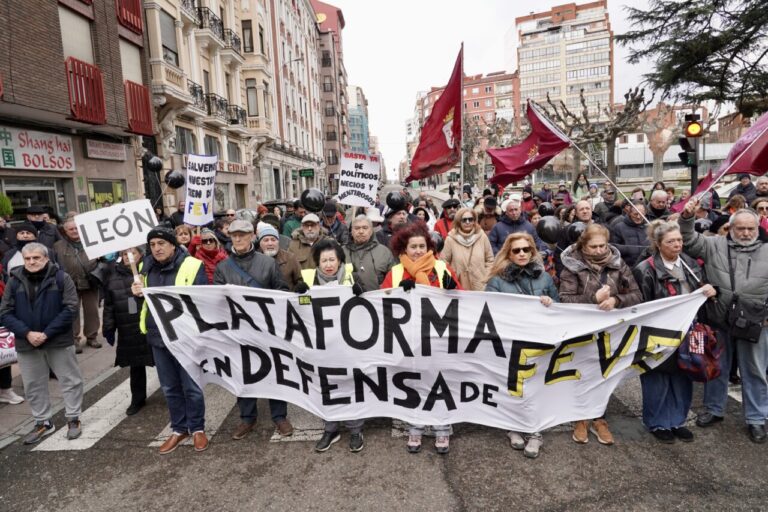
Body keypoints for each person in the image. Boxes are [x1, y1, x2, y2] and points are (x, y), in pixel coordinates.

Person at [679, 200, 768, 443]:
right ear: (730, 228)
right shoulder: (713, 245)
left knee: (755, 370)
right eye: (741, 228)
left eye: (751, 228)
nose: (746, 233)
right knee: (716, 366)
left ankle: (757, 418)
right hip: (719, 317)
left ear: (758, 228)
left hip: (756, 321)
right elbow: (688, 238)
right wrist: (686, 216)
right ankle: (714, 409)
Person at [632, 220, 717, 443]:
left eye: (679, 240)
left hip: (690, 330)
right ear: (659, 244)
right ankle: (657, 422)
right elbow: (642, 305)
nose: (678, 245)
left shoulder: (691, 264)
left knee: (684, 374)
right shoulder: (645, 270)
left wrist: (709, 290)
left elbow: (704, 289)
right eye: (671, 241)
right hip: (659, 333)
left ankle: (677, 420)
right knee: (657, 378)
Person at [380, 223, 461, 454]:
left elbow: (463, 301)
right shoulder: (395, 273)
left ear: (429, 247)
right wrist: (398, 295)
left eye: (421, 246)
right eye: (412, 246)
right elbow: (381, 302)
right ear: (404, 248)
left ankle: (441, 426)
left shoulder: (442, 268)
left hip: (438, 337)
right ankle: (415, 424)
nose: (417, 250)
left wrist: (452, 289)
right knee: (414, 382)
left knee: (440, 382)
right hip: (409, 338)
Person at [559, 223, 642, 445]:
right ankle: (580, 417)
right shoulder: (571, 267)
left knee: (603, 373)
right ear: (583, 246)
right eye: (594, 246)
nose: (599, 251)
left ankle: (599, 417)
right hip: (580, 330)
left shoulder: (618, 264)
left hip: (611, 329)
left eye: (603, 246)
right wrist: (592, 300)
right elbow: (565, 299)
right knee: (581, 372)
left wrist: (617, 300)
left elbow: (636, 294)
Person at [213, 219, 294, 440]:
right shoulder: (222, 268)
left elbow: (281, 291)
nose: (238, 238)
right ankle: (247, 417)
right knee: (243, 373)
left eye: (243, 234)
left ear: (252, 237)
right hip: (238, 332)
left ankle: (279, 416)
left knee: (275, 372)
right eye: (234, 235)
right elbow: (216, 302)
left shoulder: (267, 264)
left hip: (266, 330)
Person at [133, 227, 209, 454]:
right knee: (169, 387)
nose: (157, 248)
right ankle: (179, 428)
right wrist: (137, 292)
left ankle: (197, 428)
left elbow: (202, 300)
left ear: (173, 245)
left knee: (191, 385)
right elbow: (144, 304)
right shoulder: (142, 268)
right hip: (158, 336)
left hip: (185, 336)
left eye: (161, 243)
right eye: (152, 244)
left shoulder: (192, 265)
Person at [0, 242, 82, 444]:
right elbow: (5, 312)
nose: (32, 262)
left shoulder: (62, 278)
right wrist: (27, 333)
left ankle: (73, 418)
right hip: (27, 343)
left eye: (36, 257)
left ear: (46, 258)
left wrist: (46, 334)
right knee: (33, 385)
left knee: (69, 380)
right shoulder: (14, 281)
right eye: (27, 258)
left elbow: (71, 308)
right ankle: (42, 422)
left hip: (58, 340)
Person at [485, 233, 558, 458]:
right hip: (511, 340)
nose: (522, 254)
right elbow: (488, 309)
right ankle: (513, 426)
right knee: (513, 384)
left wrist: (550, 303)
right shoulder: (496, 280)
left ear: (533, 251)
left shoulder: (544, 278)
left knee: (535, 385)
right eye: (516, 250)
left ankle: (534, 431)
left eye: (526, 249)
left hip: (538, 339)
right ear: (508, 253)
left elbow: (559, 306)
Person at [294, 239, 365, 453]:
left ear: (340, 260)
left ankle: (355, 429)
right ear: (317, 263)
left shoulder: (352, 278)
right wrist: (299, 295)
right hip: (322, 346)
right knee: (325, 387)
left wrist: (362, 294)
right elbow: (300, 310)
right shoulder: (308, 279)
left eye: (332, 259)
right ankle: (331, 428)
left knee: (351, 386)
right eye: (323, 260)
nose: (328, 264)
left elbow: (370, 308)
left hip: (349, 346)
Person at [102, 247, 154, 416]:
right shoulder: (113, 276)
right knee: (135, 365)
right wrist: (108, 327)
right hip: (128, 327)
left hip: (150, 325)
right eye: (125, 254)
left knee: (162, 362)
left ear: (141, 255)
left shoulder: (150, 272)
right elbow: (109, 305)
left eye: (133, 253)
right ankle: (137, 399)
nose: (128, 257)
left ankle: (172, 395)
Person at [53, 217, 101, 353]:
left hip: (90, 282)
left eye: (77, 228)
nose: (75, 231)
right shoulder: (58, 246)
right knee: (72, 312)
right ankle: (73, 339)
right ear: (65, 231)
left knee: (92, 311)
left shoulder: (93, 242)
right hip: (69, 284)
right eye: (71, 229)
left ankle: (92, 337)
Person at [441, 207, 494, 291]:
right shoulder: (450, 239)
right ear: (459, 221)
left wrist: (486, 277)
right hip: (458, 286)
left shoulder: (482, 236)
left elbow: (490, 260)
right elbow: (443, 262)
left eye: (470, 219)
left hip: (480, 286)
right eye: (464, 220)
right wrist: (451, 278)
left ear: (474, 221)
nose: (467, 222)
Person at [344, 215, 396, 293]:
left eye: (365, 228)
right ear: (351, 231)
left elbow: (394, 278)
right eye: (357, 228)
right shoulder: (341, 252)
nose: (361, 231)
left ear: (371, 231)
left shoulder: (384, 252)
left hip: (377, 301)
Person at [258, 223, 302, 291]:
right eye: (266, 240)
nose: (270, 243)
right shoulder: (255, 259)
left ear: (278, 242)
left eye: (273, 240)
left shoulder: (290, 258)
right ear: (260, 243)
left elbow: (300, 280)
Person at [609, 201, 649, 267]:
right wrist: (635, 250)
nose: (638, 217)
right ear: (629, 213)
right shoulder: (619, 227)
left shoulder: (650, 227)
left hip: (647, 266)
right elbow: (614, 248)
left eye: (641, 214)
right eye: (635, 214)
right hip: (627, 267)